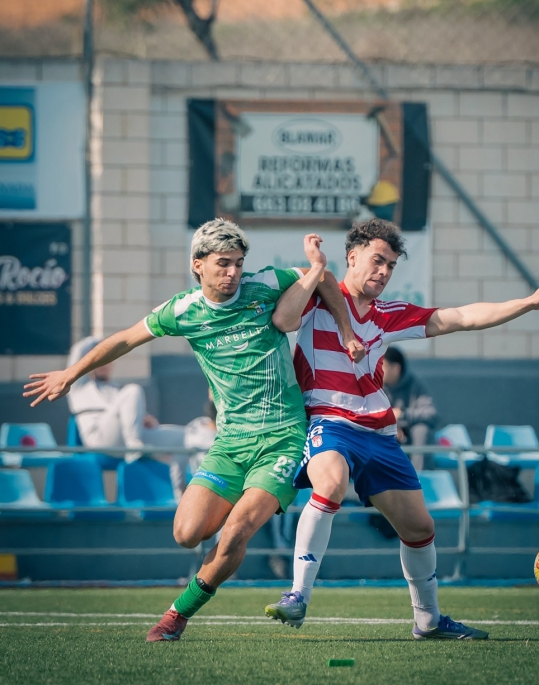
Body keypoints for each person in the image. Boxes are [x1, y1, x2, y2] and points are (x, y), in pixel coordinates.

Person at [23, 219, 364, 643]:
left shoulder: (265, 284)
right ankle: (207, 565)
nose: (234, 272)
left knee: (236, 531)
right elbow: (126, 339)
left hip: (283, 438)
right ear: (197, 265)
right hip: (230, 442)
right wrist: (72, 373)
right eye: (223, 263)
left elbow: (325, 276)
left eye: (239, 263)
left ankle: (176, 615)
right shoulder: (183, 311)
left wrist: (347, 331)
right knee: (187, 534)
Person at [265, 217, 539, 640]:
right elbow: (284, 318)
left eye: (390, 266)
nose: (384, 272)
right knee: (329, 484)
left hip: (380, 435)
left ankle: (427, 620)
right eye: (377, 261)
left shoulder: (389, 316)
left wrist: (527, 303)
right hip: (329, 423)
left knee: (420, 529)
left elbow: (461, 316)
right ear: (352, 257)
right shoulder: (316, 299)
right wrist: (315, 269)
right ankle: (297, 595)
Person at [66, 336, 190, 498]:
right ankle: (135, 448)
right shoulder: (80, 388)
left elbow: (126, 413)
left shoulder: (117, 390)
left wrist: (143, 418)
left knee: (183, 437)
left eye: (108, 360)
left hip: (126, 436)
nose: (104, 364)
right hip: (100, 439)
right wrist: (104, 341)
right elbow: (77, 351)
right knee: (133, 389)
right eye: (99, 360)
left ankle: (180, 490)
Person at [382, 346, 438, 471]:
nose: (378, 371)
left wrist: (402, 414)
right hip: (388, 434)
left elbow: (431, 414)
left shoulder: (416, 385)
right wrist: (390, 423)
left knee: (422, 430)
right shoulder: (374, 386)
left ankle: (419, 480)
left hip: (411, 436)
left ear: (396, 368)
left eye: (382, 367)